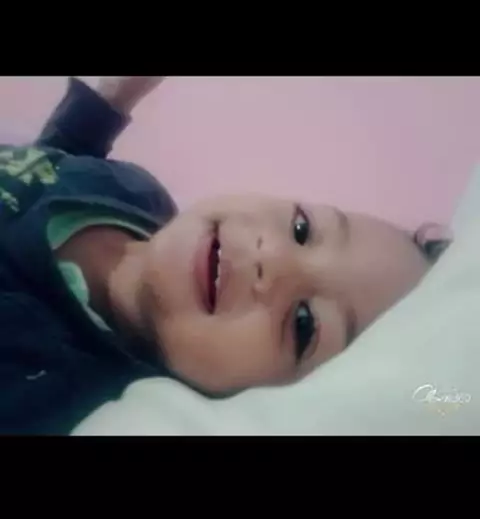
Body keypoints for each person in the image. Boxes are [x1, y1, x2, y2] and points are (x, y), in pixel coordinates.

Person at [0, 76, 451, 434]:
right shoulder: (140, 194)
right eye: (302, 229)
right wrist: (111, 100)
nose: (274, 260)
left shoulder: (49, 386)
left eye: (304, 324)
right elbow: (52, 165)